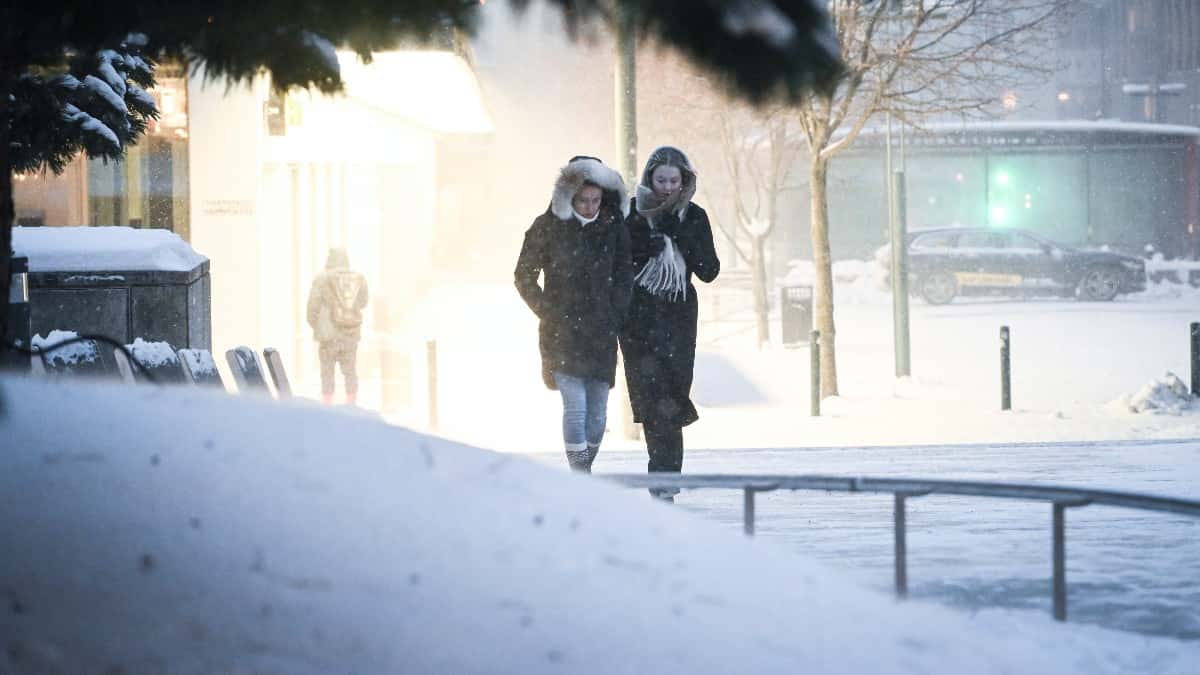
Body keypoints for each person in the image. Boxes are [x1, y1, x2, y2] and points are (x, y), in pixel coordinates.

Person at [514, 156, 633, 472]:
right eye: (582, 200)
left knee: (598, 414)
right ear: (568, 196)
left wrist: (615, 312)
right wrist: (548, 311)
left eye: (595, 200)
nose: (589, 206)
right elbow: (524, 275)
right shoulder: (547, 227)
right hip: (561, 333)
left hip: (601, 331)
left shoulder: (614, 228)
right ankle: (580, 474)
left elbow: (624, 275)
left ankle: (584, 468)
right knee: (576, 408)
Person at [619, 146, 720, 500]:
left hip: (677, 317)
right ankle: (660, 481)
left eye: (673, 180)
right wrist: (643, 247)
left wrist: (681, 237)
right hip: (638, 318)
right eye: (660, 180)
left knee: (672, 401)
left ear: (685, 180)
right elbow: (618, 263)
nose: (666, 187)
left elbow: (709, 271)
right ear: (649, 179)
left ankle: (666, 479)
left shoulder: (694, 216)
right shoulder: (631, 213)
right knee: (651, 402)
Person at [306, 247, 369, 405]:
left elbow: (312, 307)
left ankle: (328, 404)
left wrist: (317, 325)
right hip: (350, 333)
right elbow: (363, 302)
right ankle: (351, 402)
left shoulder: (321, 279)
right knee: (350, 371)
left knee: (327, 372)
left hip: (328, 336)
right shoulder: (357, 278)